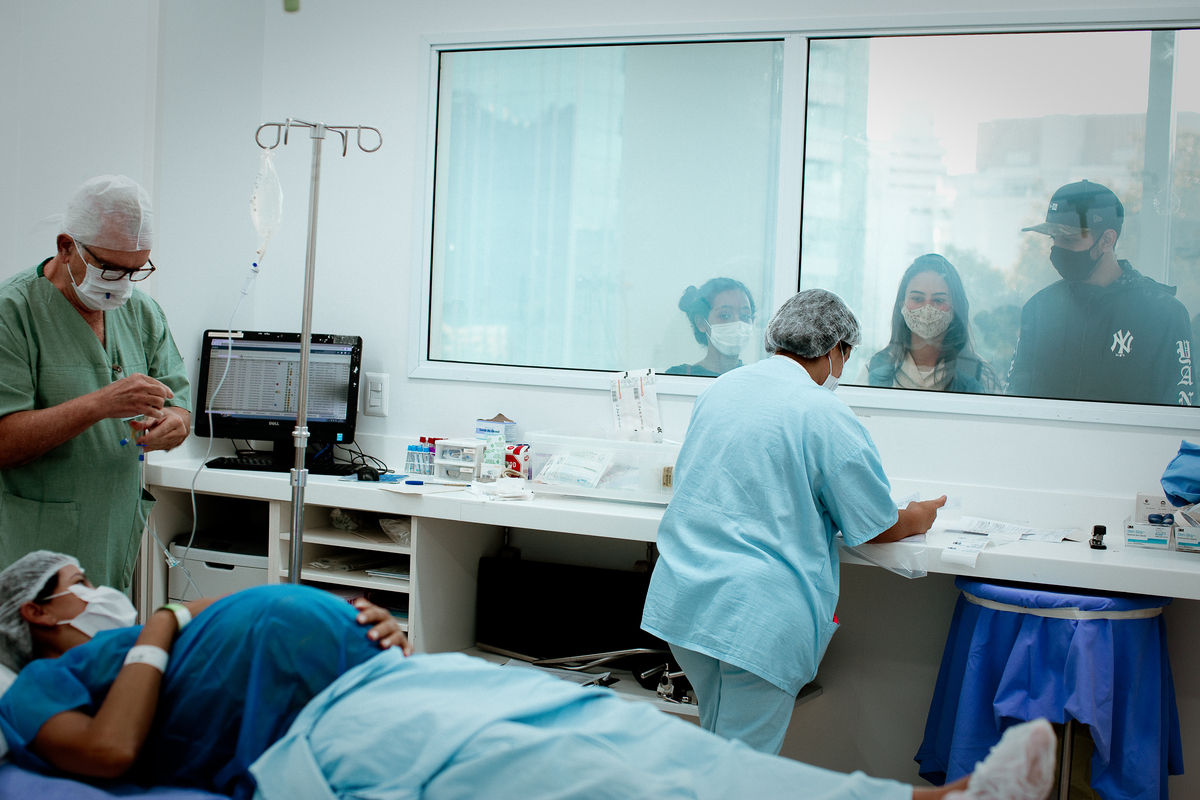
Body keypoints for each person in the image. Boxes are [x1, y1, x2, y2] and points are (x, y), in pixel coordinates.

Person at [0, 551, 1057, 800]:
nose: (99, 591)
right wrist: (168, 617)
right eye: (76, 584)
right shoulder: (45, 687)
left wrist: (363, 623)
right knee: (607, 771)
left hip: (383, 681)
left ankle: (923, 799)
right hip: (325, 735)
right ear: (36, 613)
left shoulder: (122, 646)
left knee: (643, 734)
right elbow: (112, 751)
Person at [642, 288, 947, 756]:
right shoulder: (822, 411)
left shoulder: (723, 388)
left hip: (688, 602)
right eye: (846, 355)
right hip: (755, 618)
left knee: (717, 752)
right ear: (835, 349)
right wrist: (920, 515)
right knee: (743, 771)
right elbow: (877, 526)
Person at [0, 176, 190, 592]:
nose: (121, 283)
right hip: (34, 542)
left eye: (135, 271)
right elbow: (3, 443)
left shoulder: (142, 312)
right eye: (109, 268)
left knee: (106, 630)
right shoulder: (12, 314)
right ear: (66, 246)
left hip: (113, 530)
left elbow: (179, 401)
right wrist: (97, 404)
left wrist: (174, 424)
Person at [1008, 180, 1194, 405]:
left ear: (1107, 240)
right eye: (1053, 238)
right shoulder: (1039, 308)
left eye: (1069, 239)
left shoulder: (1162, 314)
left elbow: (1180, 408)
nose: (1057, 248)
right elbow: (1014, 398)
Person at [864, 254, 1003, 393]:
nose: (927, 309)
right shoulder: (875, 371)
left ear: (955, 307)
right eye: (917, 299)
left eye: (939, 300)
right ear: (902, 304)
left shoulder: (980, 375)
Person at [665, 278, 756, 376]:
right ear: (701, 323)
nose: (737, 323)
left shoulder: (755, 377)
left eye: (745, 316)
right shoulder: (679, 376)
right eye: (725, 315)